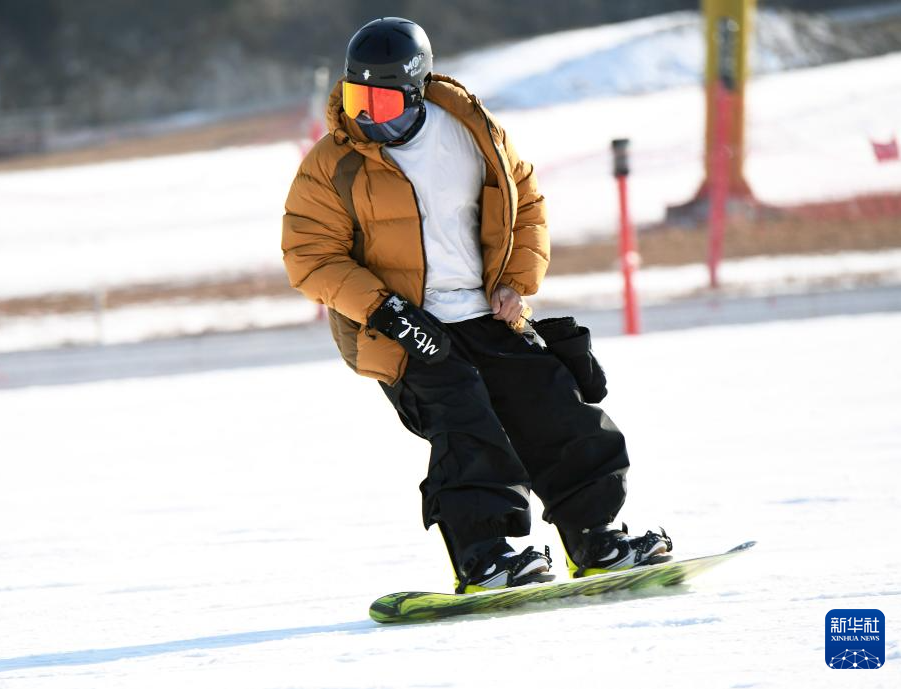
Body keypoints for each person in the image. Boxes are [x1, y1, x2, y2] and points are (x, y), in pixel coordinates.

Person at [281, 17, 671, 594]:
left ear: (417, 90)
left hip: (486, 313)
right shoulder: (331, 164)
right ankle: (482, 557)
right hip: (404, 328)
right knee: (465, 424)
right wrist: (386, 311)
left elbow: (526, 203)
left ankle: (596, 539)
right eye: (358, 100)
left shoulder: (471, 132)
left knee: (556, 408)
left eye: (384, 103)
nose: (368, 117)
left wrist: (515, 281)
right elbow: (309, 256)